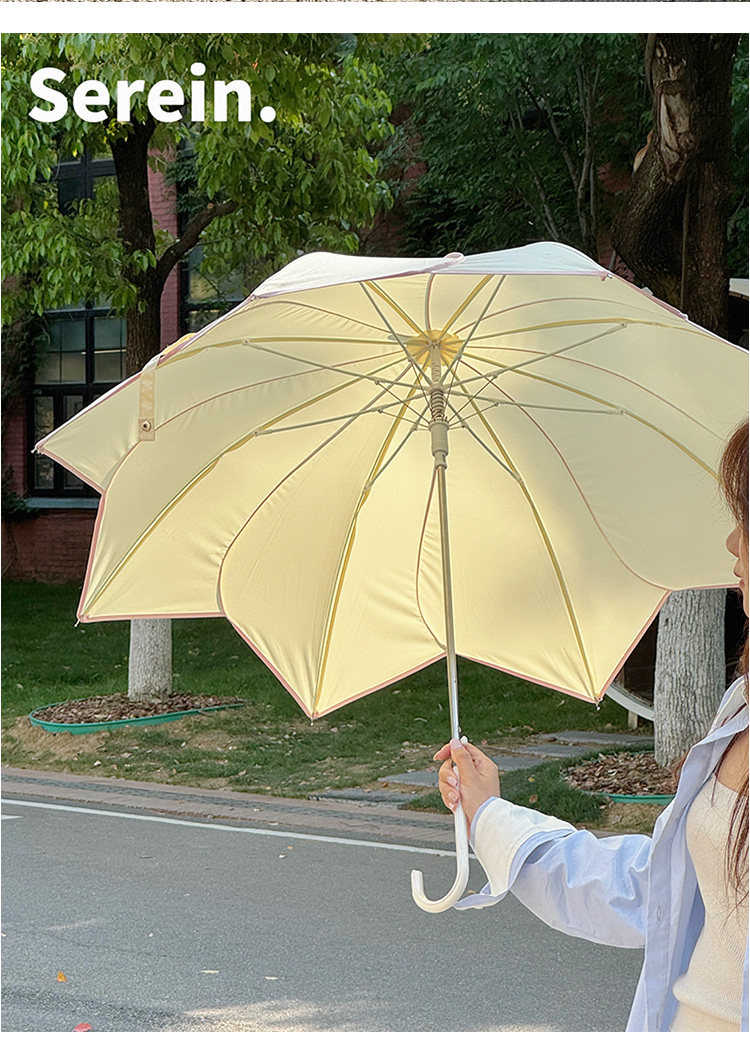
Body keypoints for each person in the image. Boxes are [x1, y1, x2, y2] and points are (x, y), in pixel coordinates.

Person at [434, 418, 749, 1032]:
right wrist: (491, 814)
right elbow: (655, 888)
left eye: (748, 518)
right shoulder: (739, 708)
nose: (733, 541)